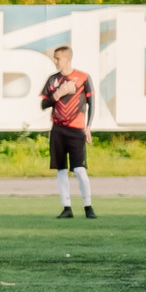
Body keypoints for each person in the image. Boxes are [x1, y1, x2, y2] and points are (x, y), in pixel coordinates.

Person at [39, 43, 96, 219]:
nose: (55, 61)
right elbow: (43, 104)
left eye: (57, 58)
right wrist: (58, 94)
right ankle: (67, 207)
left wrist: (88, 127)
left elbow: (91, 103)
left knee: (79, 169)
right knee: (61, 170)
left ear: (67, 59)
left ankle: (88, 206)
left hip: (76, 129)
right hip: (58, 130)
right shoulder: (52, 80)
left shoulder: (83, 77)